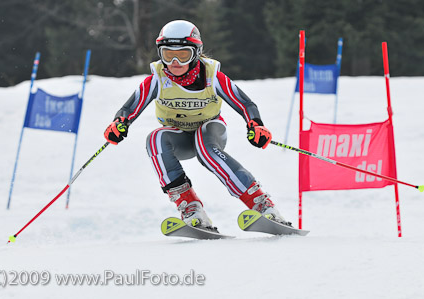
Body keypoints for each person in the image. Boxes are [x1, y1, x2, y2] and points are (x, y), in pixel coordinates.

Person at [104, 20, 291, 232]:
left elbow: (245, 103)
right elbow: (129, 109)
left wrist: (255, 125)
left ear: (196, 53)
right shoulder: (157, 78)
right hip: (180, 137)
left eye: (183, 55)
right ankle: (191, 208)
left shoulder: (212, 76)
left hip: (210, 131)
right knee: (155, 139)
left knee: (205, 146)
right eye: (167, 54)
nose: (174, 62)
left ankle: (262, 205)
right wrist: (119, 124)